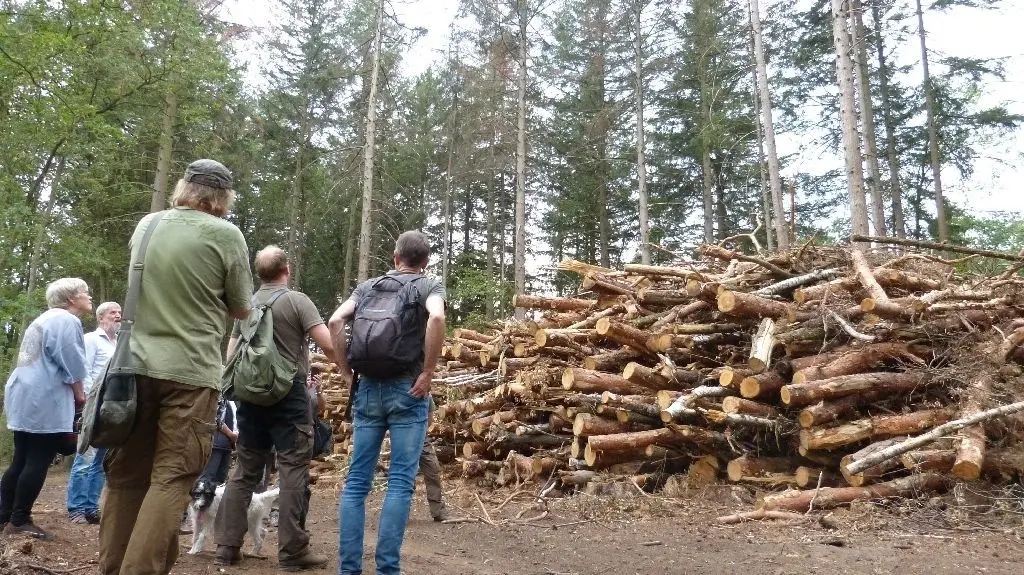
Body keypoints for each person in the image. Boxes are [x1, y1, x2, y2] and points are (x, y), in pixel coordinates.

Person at [99, 159, 252, 575]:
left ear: (184, 187)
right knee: (171, 477)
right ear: (223, 197)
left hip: (132, 368)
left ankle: (112, 568)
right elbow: (241, 308)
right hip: (190, 373)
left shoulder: (147, 226)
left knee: (126, 476)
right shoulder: (226, 234)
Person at [329, 230, 446, 575]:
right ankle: (387, 569)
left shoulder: (367, 288)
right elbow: (436, 318)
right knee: (399, 481)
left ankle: (349, 569)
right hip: (408, 390)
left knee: (356, 482)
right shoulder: (429, 285)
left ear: (395, 258)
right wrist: (427, 372)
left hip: (367, 390)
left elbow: (335, 320)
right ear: (425, 263)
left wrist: (345, 371)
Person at [214, 245, 335, 570]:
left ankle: (227, 546)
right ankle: (293, 552)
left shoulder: (246, 305)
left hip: (251, 399)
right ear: (287, 269)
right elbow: (326, 343)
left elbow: (233, 350)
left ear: (259, 274)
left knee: (244, 472)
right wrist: (345, 366)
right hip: (289, 397)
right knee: (293, 469)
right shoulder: (297, 301)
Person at [2, 278, 91, 540]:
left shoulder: (43, 319)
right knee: (38, 459)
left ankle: (4, 516)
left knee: (20, 458)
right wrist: (79, 394)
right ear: (71, 298)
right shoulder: (67, 320)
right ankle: (19, 520)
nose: (89, 296)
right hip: (44, 395)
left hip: (23, 392)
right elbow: (72, 360)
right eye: (85, 292)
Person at [66, 300, 121, 525]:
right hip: (92, 407)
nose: (118, 316)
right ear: (101, 318)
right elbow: (83, 371)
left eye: (119, 313)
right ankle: (76, 508)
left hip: (113, 410)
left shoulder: (120, 344)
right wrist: (87, 403)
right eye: (112, 313)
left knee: (101, 460)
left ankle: (91, 507)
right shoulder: (90, 339)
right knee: (85, 458)